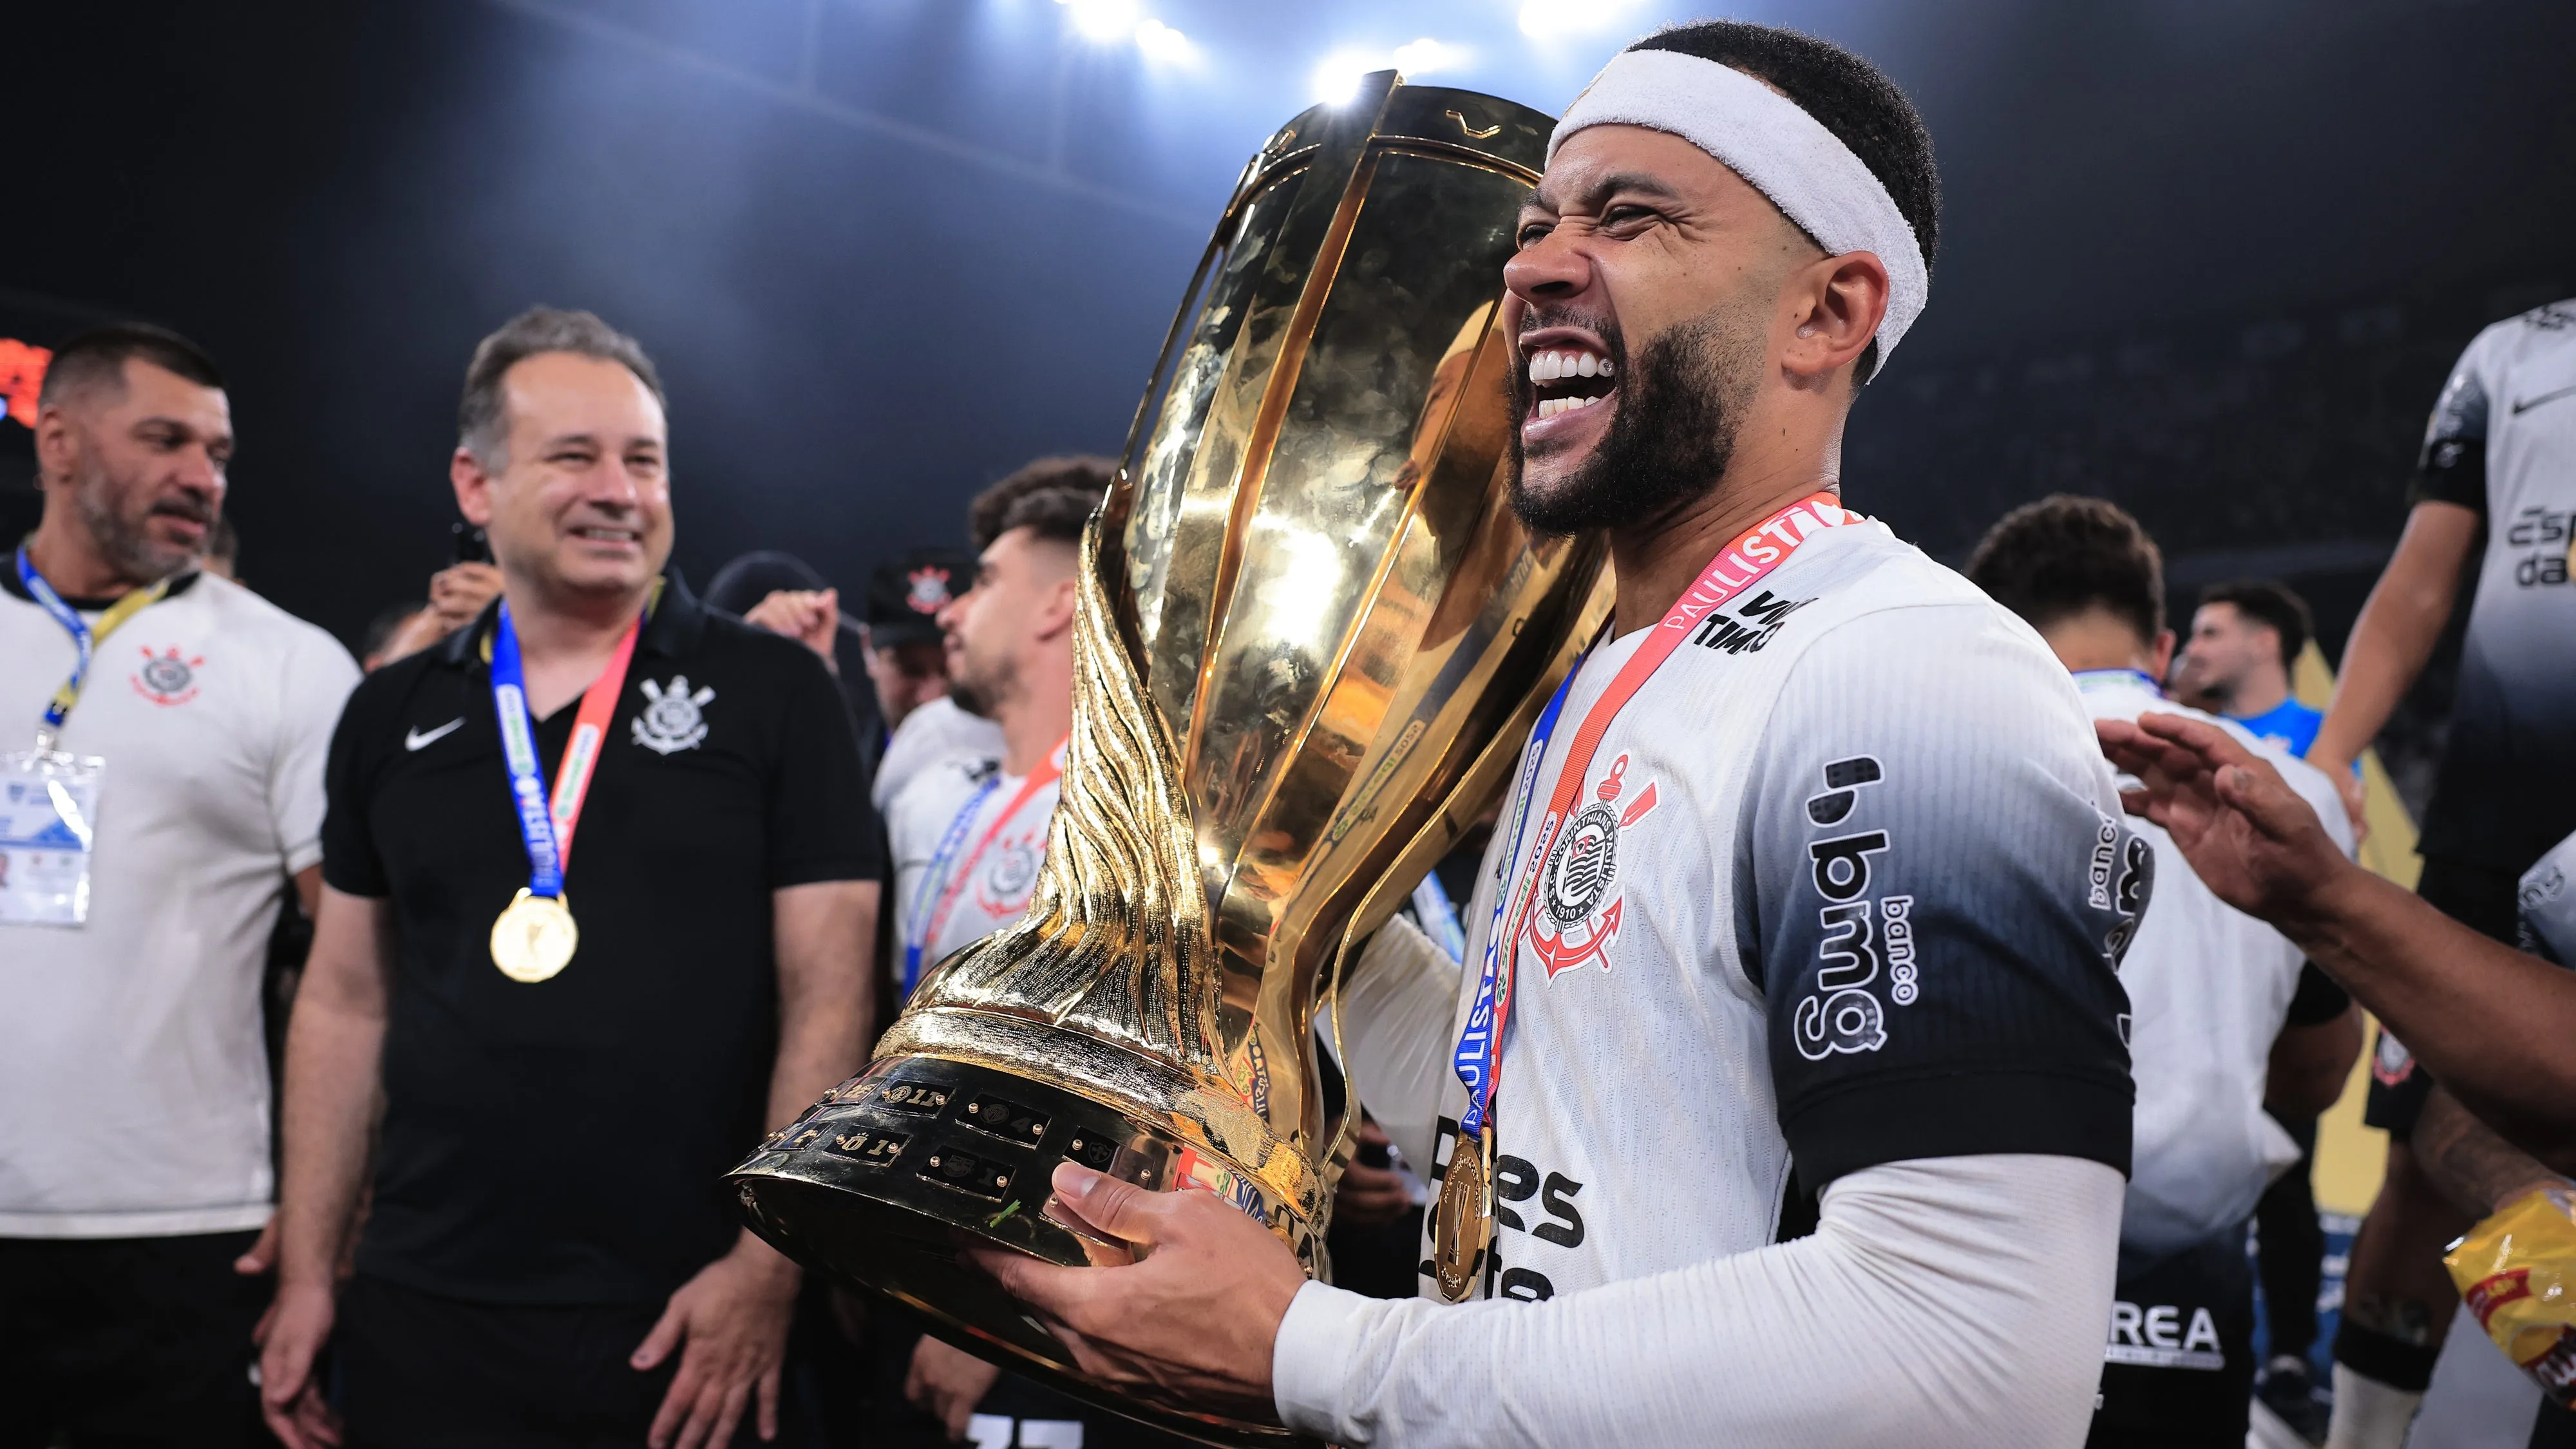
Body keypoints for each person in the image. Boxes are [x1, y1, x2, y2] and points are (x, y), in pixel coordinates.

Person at [964, 24, 2148, 1447]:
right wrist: (1247, 872)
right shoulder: (1609, 681)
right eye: (1534, 226)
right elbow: (1530, 1160)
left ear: (1825, 315)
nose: (1527, 267)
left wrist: (1314, 1350)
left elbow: (1974, 1346)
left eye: (1629, 217)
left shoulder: (1902, 672)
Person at [258, 307, 882, 1449]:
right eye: (574, 457)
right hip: (423, 1296)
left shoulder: (773, 693)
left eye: (644, 460)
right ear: (476, 482)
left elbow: (831, 999)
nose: (621, 491)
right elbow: (344, 1002)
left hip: (687, 1310)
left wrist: (767, 1267)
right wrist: (309, 1269)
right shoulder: (391, 709)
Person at [0, 323, 360, 1447]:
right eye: (164, 441)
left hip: (189, 1230)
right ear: (57, 442)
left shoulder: (290, 663)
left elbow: (357, 984)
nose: (200, 477)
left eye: (217, 452)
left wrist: (320, 1244)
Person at [1967, 496, 2363, 1447]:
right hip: (2194, 1272)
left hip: (1975, 1261)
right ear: (2164, 641)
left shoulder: (1946, 758)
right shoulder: (2299, 791)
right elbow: (2318, 1071)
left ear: (1996, 634)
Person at [2293, 298, 2576, 1449]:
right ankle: (2365, 1435)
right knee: (2420, 1153)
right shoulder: (2512, 352)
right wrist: (2323, 764)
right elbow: (2420, 584)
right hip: (2500, 816)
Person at [2166, 574, 2345, 1429]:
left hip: (2277, 990)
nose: (2190, 646)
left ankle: (2285, 1355)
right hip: (2190, 984)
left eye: (2209, 632)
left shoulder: (2325, 747)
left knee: (2289, 1179)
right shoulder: (2172, 724)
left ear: (2263, 642)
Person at [2171, 580, 2322, 754]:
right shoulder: (2197, 737)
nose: (2191, 650)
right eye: (2194, 636)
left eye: (2210, 634)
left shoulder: (2323, 735)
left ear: (2264, 643)